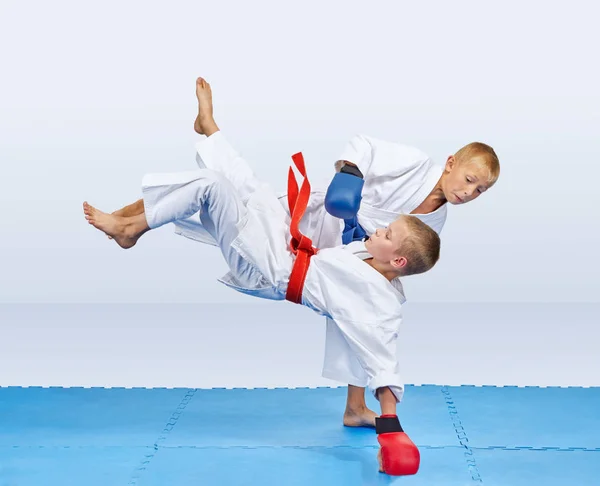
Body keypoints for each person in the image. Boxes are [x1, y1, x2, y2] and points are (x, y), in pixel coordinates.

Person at [83, 77, 442, 475]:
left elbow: (383, 361)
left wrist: (391, 430)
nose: (377, 230)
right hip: (285, 249)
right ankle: (210, 131)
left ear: (399, 263)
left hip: (271, 271)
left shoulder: (378, 304)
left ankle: (132, 230)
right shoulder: (367, 255)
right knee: (250, 188)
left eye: (387, 234)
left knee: (211, 187)